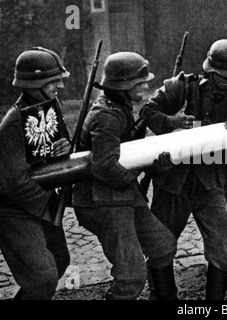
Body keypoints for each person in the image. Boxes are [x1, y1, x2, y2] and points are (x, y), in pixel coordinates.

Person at [139, 39, 227, 300]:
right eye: (223, 75)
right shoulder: (180, 87)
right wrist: (171, 121)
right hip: (173, 182)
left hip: (209, 184)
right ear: (210, 70)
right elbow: (147, 112)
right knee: (161, 247)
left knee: (223, 252)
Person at [72, 52, 178, 300]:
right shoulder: (107, 116)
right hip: (102, 202)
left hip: (121, 195)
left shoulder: (122, 108)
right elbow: (104, 166)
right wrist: (136, 179)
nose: (147, 86)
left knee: (162, 246)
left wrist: (154, 167)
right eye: (141, 83)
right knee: (131, 278)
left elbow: (126, 155)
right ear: (125, 86)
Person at [0, 47, 71, 299]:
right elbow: (14, 184)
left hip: (41, 198)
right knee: (42, 277)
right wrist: (51, 206)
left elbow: (61, 138)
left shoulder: (50, 106)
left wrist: (65, 146)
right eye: (53, 81)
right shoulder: (13, 123)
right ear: (34, 84)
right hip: (13, 209)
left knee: (60, 260)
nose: (59, 86)